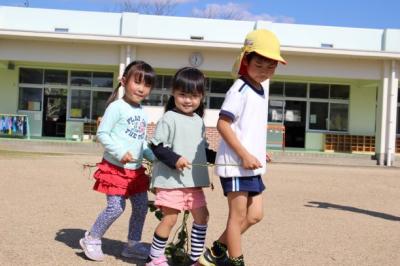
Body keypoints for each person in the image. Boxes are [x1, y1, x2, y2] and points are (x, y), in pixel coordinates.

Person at [199, 29, 287, 266]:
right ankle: (236, 261)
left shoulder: (260, 90)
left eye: (271, 66)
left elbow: (248, 128)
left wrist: (258, 151)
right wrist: (245, 154)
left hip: (251, 164)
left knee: (255, 215)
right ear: (245, 60)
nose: (265, 70)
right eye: (260, 64)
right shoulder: (239, 89)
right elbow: (223, 124)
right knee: (236, 217)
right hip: (236, 165)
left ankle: (215, 252)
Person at [79, 60, 156, 261]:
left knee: (140, 207)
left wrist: (153, 156)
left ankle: (133, 244)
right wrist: (120, 152)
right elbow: (102, 134)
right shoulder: (116, 107)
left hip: (136, 172)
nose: (141, 88)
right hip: (116, 169)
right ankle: (92, 238)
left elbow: (141, 142)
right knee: (116, 208)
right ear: (123, 81)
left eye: (147, 85)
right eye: (137, 82)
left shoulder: (142, 112)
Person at [145, 67, 216, 266]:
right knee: (170, 219)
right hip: (171, 181)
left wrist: (219, 157)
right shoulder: (169, 118)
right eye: (183, 94)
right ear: (173, 93)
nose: (187, 100)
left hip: (193, 182)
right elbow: (157, 146)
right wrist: (175, 159)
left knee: (202, 217)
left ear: (201, 96)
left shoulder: (199, 121)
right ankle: (154, 258)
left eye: (193, 96)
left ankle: (195, 258)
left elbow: (203, 150)